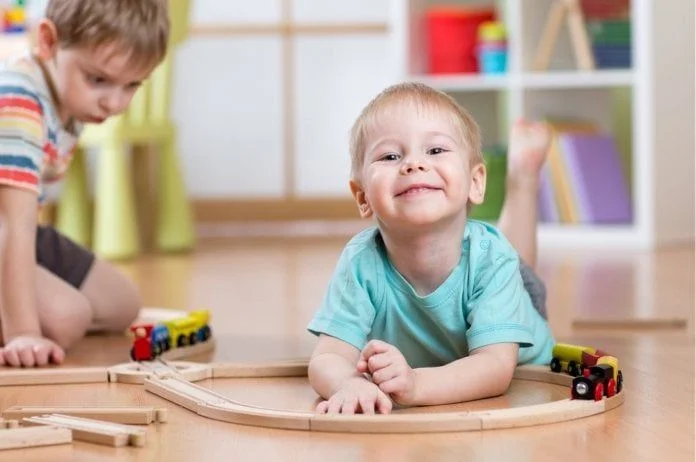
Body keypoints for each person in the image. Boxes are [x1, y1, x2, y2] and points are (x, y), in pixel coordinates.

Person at [307, 82, 555, 414]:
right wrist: (347, 383)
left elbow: (495, 367)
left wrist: (416, 385)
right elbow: (327, 357)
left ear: (475, 182)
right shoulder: (361, 262)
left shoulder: (493, 261)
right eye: (391, 156)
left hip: (514, 311)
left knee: (520, 267)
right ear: (363, 196)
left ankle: (522, 177)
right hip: (456, 324)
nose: (413, 164)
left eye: (435, 150)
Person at [0, 0, 170, 367]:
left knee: (121, 303)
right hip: (7, 228)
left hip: (20, 227)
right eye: (99, 80)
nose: (115, 102)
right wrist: (22, 333)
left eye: (132, 85)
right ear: (48, 41)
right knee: (67, 318)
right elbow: (13, 224)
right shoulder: (19, 100)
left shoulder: (69, 97)